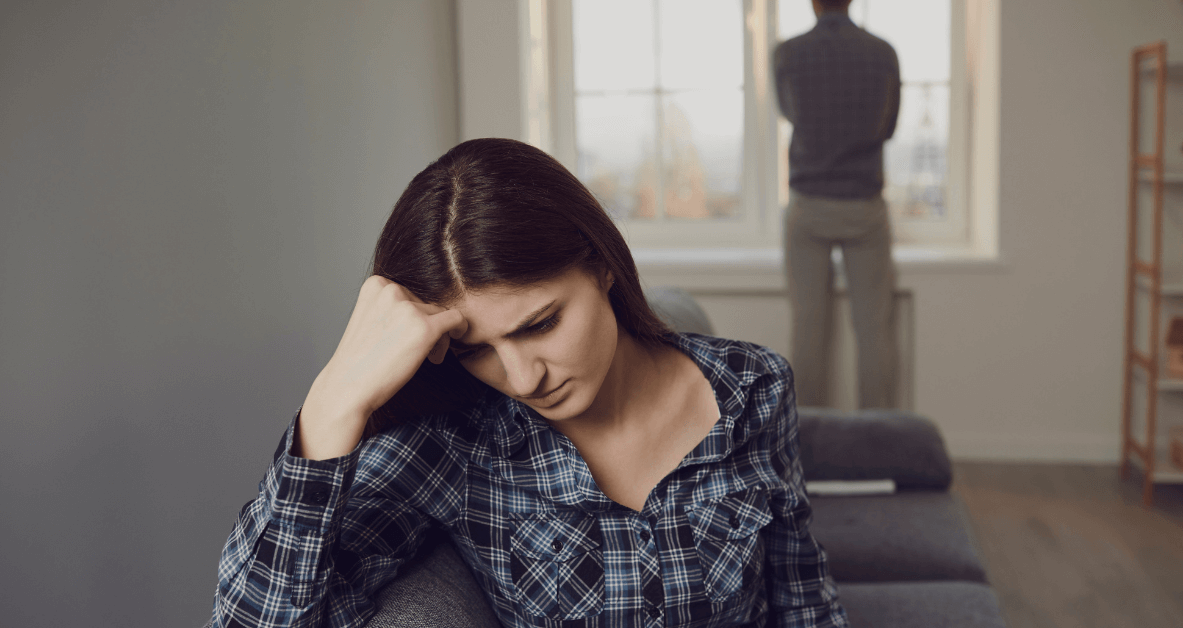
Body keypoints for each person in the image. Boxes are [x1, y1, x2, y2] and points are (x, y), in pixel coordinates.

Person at [210, 138, 848, 627]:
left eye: (540, 324)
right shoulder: (455, 445)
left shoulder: (753, 387)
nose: (521, 378)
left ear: (600, 265)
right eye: (474, 350)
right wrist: (331, 406)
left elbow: (802, 596)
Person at [774, 0, 901, 409]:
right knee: (874, 331)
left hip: (809, 205)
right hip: (864, 205)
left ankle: (810, 439)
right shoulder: (883, 52)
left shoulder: (788, 53)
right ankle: (879, 435)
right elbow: (889, 126)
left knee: (807, 328)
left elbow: (790, 112)